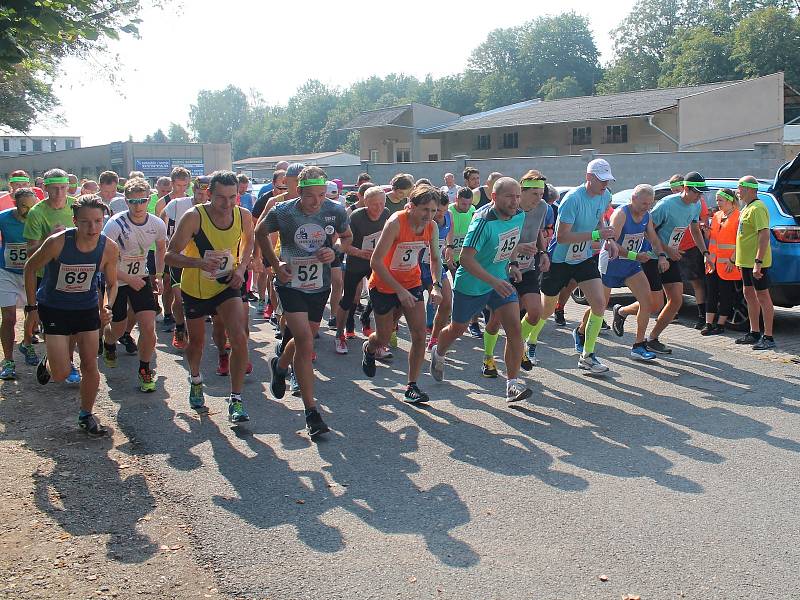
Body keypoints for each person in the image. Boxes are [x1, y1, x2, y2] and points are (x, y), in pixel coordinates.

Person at [258, 165, 351, 437]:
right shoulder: (283, 211)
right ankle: (311, 412)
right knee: (306, 343)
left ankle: (280, 365)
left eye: (322, 195)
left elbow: (347, 237)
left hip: (319, 284)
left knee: (304, 338)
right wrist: (275, 265)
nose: (317, 201)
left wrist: (334, 251)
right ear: (298, 192)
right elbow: (259, 233)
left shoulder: (334, 210)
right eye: (311, 196)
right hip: (291, 283)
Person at [430, 177, 534, 401]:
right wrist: (493, 281)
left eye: (517, 196)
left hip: (500, 281)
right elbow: (466, 259)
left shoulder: (519, 215)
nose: (515, 201)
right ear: (494, 197)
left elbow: (509, 240)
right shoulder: (482, 222)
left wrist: (513, 262)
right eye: (509, 196)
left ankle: (512, 385)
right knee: (457, 329)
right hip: (472, 283)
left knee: (514, 329)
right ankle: (438, 352)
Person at [23, 195, 119, 435]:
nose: (92, 228)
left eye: (98, 221)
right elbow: (30, 267)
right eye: (86, 222)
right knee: (61, 374)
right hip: (54, 308)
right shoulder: (58, 242)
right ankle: (49, 361)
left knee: (89, 364)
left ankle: (86, 414)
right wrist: (32, 309)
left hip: (86, 308)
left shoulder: (108, 247)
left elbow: (112, 284)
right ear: (75, 221)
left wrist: (106, 307)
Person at [165, 170, 254, 422]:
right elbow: (170, 255)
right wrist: (199, 263)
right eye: (220, 198)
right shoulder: (194, 217)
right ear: (208, 194)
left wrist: (241, 268)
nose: (227, 204)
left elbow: (250, 242)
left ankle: (236, 400)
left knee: (238, 337)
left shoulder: (243, 214)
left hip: (227, 285)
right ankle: (195, 378)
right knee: (197, 344)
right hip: (197, 289)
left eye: (232, 197)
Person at [522, 159, 620, 374]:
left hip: (583, 257)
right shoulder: (572, 200)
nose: (605, 184)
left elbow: (599, 222)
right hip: (559, 259)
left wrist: (609, 240)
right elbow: (563, 237)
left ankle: (588, 356)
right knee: (545, 309)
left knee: (599, 303)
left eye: (607, 180)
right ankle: (525, 341)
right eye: (601, 180)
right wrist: (597, 235)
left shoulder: (606, 196)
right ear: (589, 178)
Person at [614, 172, 710, 355]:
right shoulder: (666, 205)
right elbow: (646, 232)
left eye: (701, 193)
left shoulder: (696, 205)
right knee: (655, 304)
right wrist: (666, 251)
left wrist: (705, 252)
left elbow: (695, 230)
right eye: (697, 192)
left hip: (670, 257)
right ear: (686, 189)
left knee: (676, 300)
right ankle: (622, 312)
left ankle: (652, 339)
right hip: (651, 257)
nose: (700, 196)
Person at [363, 183, 442, 403]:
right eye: (425, 209)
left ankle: (412, 386)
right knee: (383, 338)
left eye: (433, 210)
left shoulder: (431, 227)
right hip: (384, 285)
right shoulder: (396, 223)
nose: (429, 215)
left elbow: (435, 258)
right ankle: (369, 348)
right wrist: (399, 291)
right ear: (411, 207)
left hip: (411, 283)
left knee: (419, 335)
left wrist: (436, 285)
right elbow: (375, 262)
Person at [101, 178, 167, 392]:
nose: (137, 206)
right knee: (118, 328)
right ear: (126, 201)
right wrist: (127, 279)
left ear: (149, 200)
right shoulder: (115, 224)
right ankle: (109, 343)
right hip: (117, 279)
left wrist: (158, 275)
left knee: (148, 327)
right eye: (132, 202)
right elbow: (103, 262)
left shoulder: (156, 223)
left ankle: (145, 370)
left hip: (141, 278)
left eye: (142, 201)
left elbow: (160, 249)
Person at [485, 171, 550, 370]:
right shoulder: (507, 209)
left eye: (541, 194)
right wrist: (518, 248)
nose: (539, 199)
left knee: (535, 312)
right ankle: (488, 358)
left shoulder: (543, 207)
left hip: (528, 266)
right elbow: (496, 238)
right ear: (521, 192)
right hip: (503, 268)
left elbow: (538, 229)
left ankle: (516, 346)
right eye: (534, 194)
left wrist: (544, 251)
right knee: (496, 319)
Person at [23, 168, 82, 382]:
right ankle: (56, 356)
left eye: (63, 188)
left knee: (75, 324)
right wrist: (50, 238)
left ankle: (66, 359)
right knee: (53, 326)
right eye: (54, 189)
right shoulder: (37, 213)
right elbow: (30, 253)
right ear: (45, 188)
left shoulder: (77, 206)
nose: (59, 193)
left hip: (74, 272)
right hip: (45, 276)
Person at [599, 184, 668, 360]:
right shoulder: (621, 214)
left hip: (631, 265)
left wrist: (661, 256)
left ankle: (638, 345)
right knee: (598, 305)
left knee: (648, 302)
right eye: (644, 203)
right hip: (612, 262)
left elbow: (653, 238)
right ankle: (582, 331)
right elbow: (611, 243)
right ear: (633, 199)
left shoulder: (647, 216)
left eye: (650, 204)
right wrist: (635, 255)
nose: (647, 207)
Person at [333, 186, 389, 354]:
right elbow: (342, 243)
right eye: (373, 205)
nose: (378, 208)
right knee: (348, 298)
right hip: (356, 262)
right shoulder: (356, 217)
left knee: (381, 297)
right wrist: (359, 252)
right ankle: (339, 335)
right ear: (365, 203)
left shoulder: (386, 213)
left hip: (375, 262)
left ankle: (377, 338)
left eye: (381, 203)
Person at [159, 175, 209, 349]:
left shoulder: (214, 208)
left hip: (202, 259)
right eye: (198, 193)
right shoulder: (178, 204)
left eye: (206, 195)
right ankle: (180, 326)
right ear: (193, 190)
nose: (202, 198)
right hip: (180, 257)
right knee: (179, 298)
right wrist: (165, 238)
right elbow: (162, 216)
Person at [0, 188, 40, 379]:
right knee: (8, 317)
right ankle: (8, 361)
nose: (28, 211)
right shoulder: (3, 218)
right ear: (15, 203)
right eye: (24, 206)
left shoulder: (38, 217)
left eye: (32, 207)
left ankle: (27, 344)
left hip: (31, 272)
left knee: (32, 313)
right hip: (6, 271)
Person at [734, 176, 775, 350]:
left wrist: (758, 262)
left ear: (750, 189)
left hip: (757, 262)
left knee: (763, 296)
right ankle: (754, 332)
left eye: (740, 187)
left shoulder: (758, 208)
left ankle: (768, 336)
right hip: (745, 262)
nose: (738, 191)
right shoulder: (747, 208)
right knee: (749, 294)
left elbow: (764, 235)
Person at [154, 167, 192, 332]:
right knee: (168, 282)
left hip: (186, 249)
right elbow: (157, 227)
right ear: (172, 183)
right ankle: (168, 313)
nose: (181, 189)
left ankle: (188, 314)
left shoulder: (190, 201)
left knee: (186, 283)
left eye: (185, 185)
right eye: (178, 185)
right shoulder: (164, 202)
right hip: (169, 248)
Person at [672, 174, 710, 330]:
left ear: (684, 187)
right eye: (672, 189)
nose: (674, 192)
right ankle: (672, 312)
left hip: (690, 247)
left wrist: (705, 251)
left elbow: (703, 223)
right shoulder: (670, 203)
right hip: (673, 247)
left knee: (696, 282)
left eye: (677, 188)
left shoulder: (697, 202)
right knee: (673, 282)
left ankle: (702, 316)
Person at [701, 189, 740, 335]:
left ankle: (721, 324)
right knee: (710, 293)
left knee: (725, 295)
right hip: (712, 262)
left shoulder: (738, 217)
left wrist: (733, 259)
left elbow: (739, 242)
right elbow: (713, 238)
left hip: (727, 263)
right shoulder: (717, 215)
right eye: (717, 200)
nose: (718, 203)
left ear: (730, 200)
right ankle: (708, 324)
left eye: (720, 200)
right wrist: (706, 233)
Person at [422, 190, 453, 351]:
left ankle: (434, 339)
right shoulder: (424, 221)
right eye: (437, 211)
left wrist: (449, 246)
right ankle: (391, 329)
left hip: (435, 264)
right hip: (417, 266)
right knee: (402, 306)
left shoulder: (448, 216)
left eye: (444, 210)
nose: (441, 214)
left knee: (447, 302)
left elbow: (450, 230)